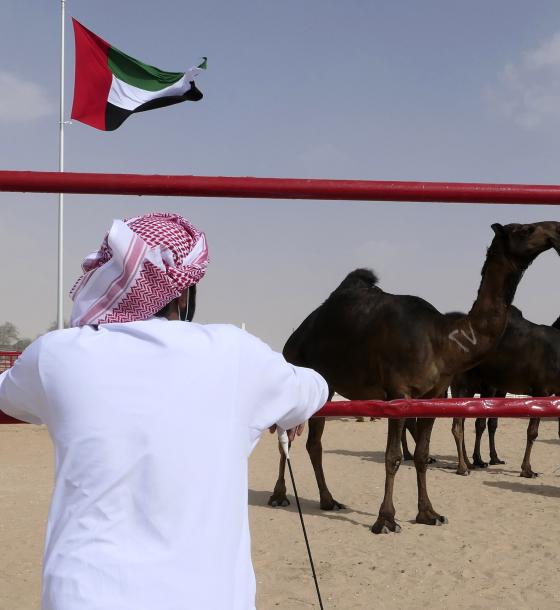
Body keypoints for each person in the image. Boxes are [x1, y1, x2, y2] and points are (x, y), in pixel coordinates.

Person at [0, 213, 329, 610]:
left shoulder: (57, 355)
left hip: (83, 596)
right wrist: (282, 409)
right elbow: (315, 388)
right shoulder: (235, 352)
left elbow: (7, 394)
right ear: (184, 292)